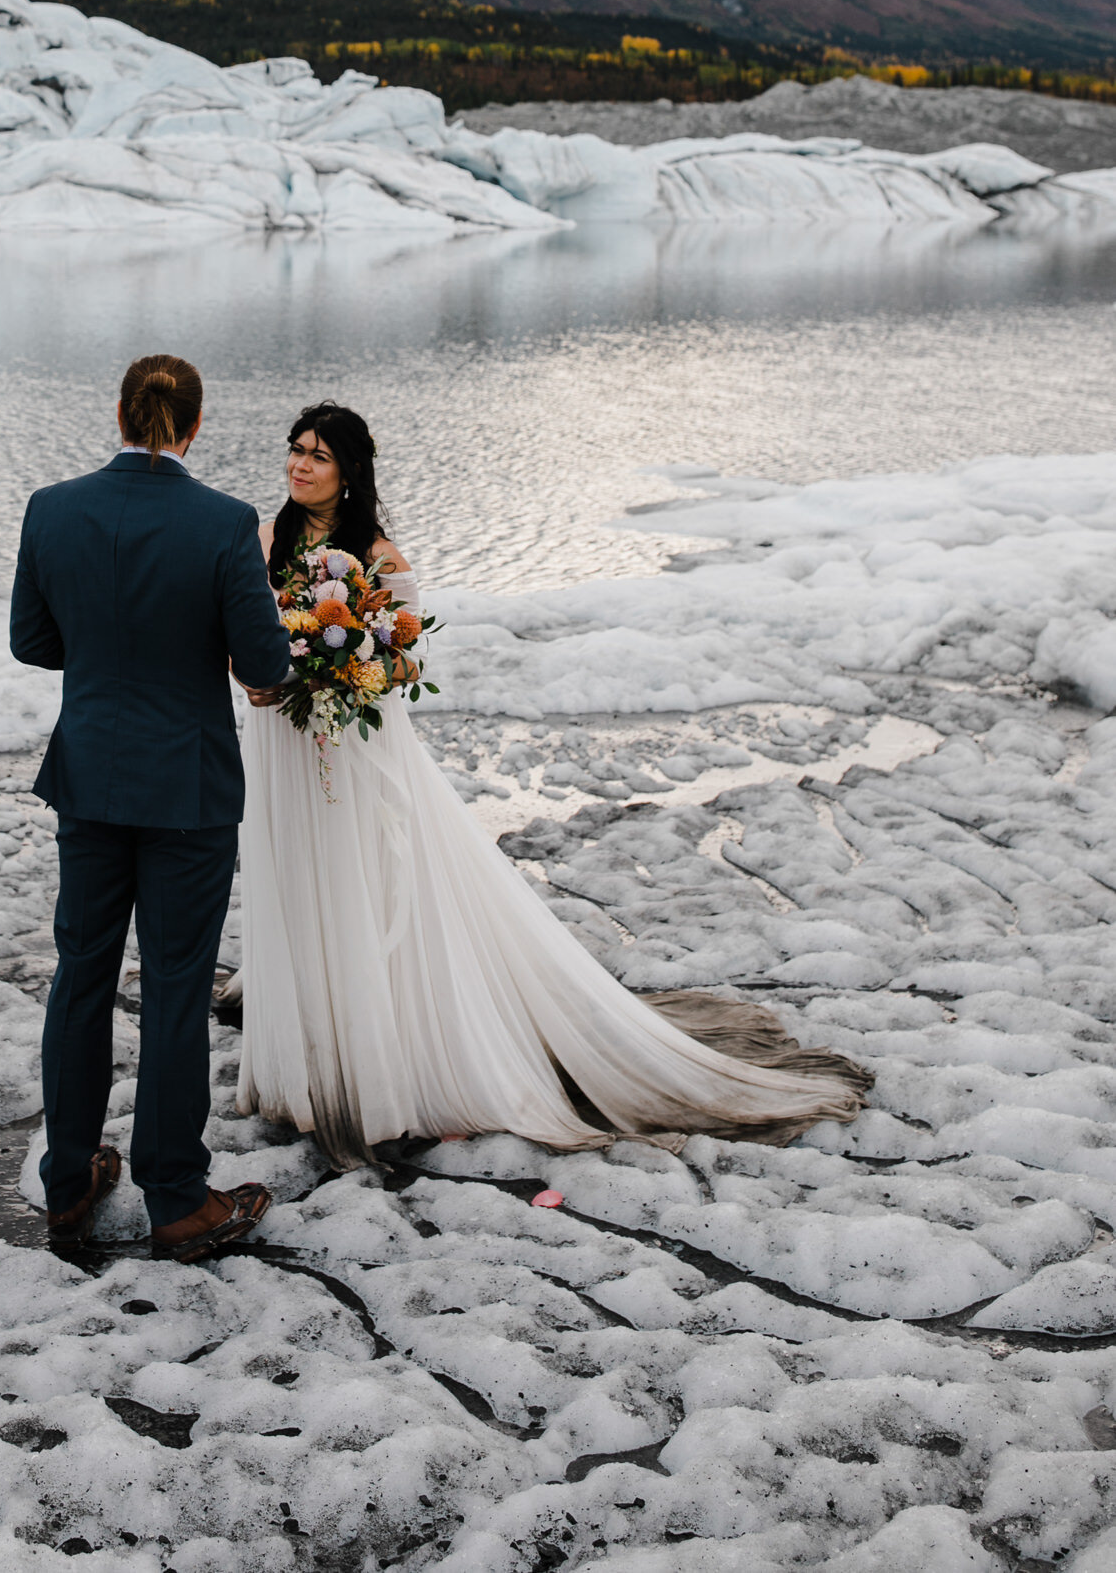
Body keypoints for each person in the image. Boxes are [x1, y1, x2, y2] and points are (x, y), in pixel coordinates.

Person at [232, 401, 868, 1167]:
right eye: (294, 450)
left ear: (349, 472)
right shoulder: (263, 541)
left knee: (357, 884)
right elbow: (236, 638)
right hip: (280, 741)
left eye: (317, 456)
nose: (299, 465)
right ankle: (301, 1058)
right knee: (293, 881)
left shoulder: (379, 555)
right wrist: (259, 675)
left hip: (352, 749)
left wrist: (338, 671)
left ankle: (373, 1062)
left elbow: (403, 663)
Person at [10, 353, 294, 1261]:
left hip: (89, 777)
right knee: (174, 988)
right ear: (194, 426)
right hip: (186, 788)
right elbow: (263, 666)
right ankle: (173, 1197)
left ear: (122, 415)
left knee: (81, 976)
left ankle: (65, 1184)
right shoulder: (222, 523)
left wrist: (110, 657)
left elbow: (32, 639)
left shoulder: (52, 508)